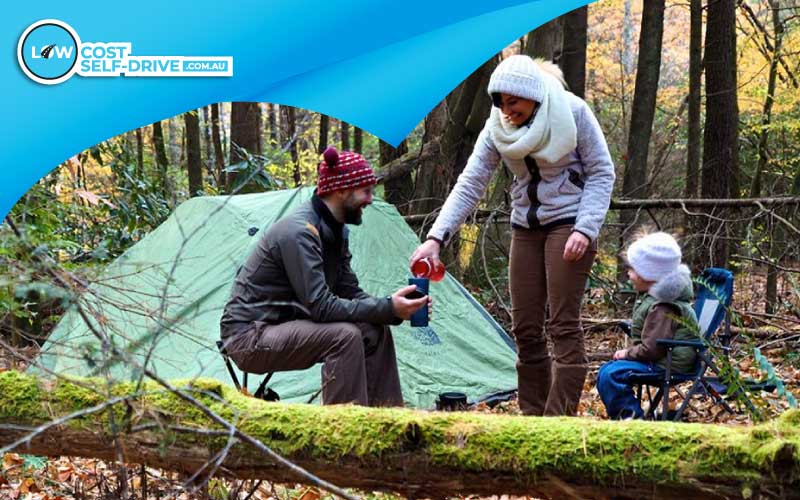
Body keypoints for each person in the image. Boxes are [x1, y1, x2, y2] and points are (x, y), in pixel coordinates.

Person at [410, 55, 615, 416]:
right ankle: (532, 419)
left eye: (513, 101)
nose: (506, 110)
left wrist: (586, 228)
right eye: (501, 103)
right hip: (525, 226)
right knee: (525, 327)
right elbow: (471, 183)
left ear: (532, 95)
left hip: (570, 221)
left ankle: (558, 422)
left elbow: (601, 171)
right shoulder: (496, 129)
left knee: (563, 324)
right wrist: (436, 237)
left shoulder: (573, 112)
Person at [220, 146, 430, 407]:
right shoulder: (300, 232)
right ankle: (345, 434)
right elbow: (320, 307)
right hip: (248, 336)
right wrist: (387, 307)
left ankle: (389, 424)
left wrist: (394, 307)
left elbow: (348, 290)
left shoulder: (335, 231)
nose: (370, 199)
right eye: (365, 191)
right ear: (342, 191)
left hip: (281, 326)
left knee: (374, 330)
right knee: (344, 336)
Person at [597, 231, 700, 420]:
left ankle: (631, 420)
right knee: (607, 370)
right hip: (662, 359)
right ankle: (629, 415)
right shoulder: (655, 298)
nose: (628, 273)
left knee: (611, 375)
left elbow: (653, 348)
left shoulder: (663, 305)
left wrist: (626, 353)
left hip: (667, 364)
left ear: (649, 274)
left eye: (633, 269)